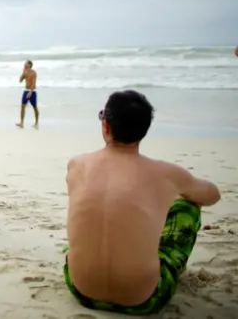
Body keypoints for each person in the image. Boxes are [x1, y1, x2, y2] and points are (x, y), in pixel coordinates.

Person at [64, 90, 221, 315]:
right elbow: (212, 195)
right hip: (143, 300)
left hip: (80, 290)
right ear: (144, 131)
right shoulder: (165, 173)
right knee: (187, 206)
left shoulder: (77, 165)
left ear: (106, 126)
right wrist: (175, 192)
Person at [16, 60, 39, 129]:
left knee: (34, 107)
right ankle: (21, 122)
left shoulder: (33, 73)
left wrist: (30, 92)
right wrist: (23, 74)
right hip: (26, 91)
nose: (24, 65)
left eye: (26, 64)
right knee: (23, 106)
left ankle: (36, 122)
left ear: (29, 65)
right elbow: (20, 80)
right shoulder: (25, 72)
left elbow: (33, 83)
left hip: (32, 91)